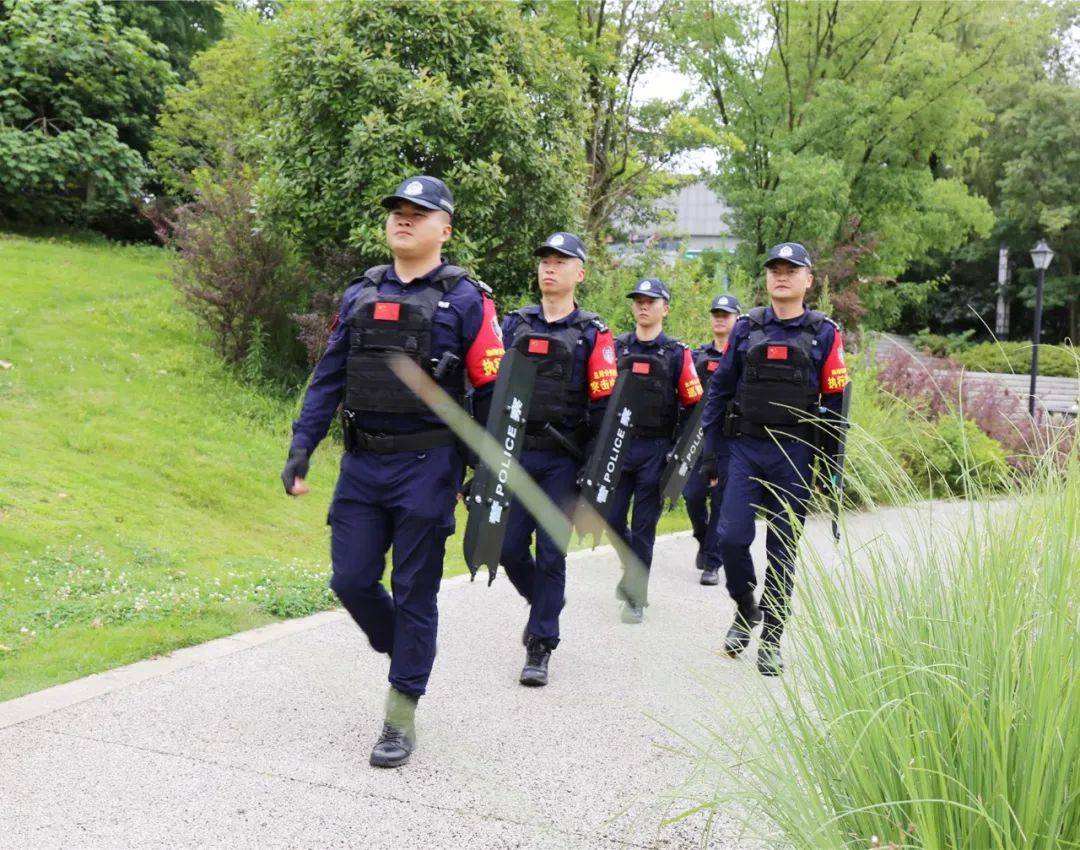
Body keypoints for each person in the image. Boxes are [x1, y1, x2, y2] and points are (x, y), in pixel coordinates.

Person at [280, 175, 504, 767]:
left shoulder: (469, 301)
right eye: (397, 210)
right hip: (362, 463)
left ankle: (400, 716)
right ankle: (403, 646)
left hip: (429, 465)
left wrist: (484, 473)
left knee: (414, 591)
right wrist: (302, 446)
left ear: (444, 229)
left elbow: (492, 395)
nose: (403, 218)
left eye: (418, 212)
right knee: (351, 580)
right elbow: (329, 377)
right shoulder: (361, 293)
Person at [701, 242, 848, 676]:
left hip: (794, 452)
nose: (781, 276)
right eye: (775, 270)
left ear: (808, 280)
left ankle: (771, 639)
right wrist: (711, 451)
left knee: (782, 550)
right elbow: (719, 390)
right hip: (746, 447)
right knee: (730, 538)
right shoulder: (746, 328)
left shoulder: (824, 333)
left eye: (791, 270)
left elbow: (835, 404)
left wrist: (829, 467)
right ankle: (746, 607)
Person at [497, 232, 615, 687]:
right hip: (517, 455)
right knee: (507, 548)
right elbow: (490, 395)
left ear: (579, 273)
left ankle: (541, 643)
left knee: (550, 552)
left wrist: (594, 470)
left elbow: (605, 408)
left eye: (561, 261)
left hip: (564, 460)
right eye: (545, 260)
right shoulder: (514, 325)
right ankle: (545, 601)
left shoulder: (593, 334)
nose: (550, 267)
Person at [608, 278, 703, 624]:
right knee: (611, 518)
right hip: (619, 448)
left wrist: (677, 453)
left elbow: (694, 406)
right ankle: (631, 567)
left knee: (643, 526)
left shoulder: (677, 354)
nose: (643, 306)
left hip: (656, 450)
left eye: (650, 301)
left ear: (666, 308)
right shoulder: (616, 348)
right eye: (638, 300)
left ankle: (636, 597)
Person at [685, 293, 740, 587]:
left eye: (726, 315)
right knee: (692, 495)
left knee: (720, 500)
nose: (720, 319)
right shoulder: (697, 357)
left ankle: (712, 563)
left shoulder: (743, 358)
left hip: (729, 441)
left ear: (737, 320)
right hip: (699, 441)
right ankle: (702, 536)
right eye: (716, 314)